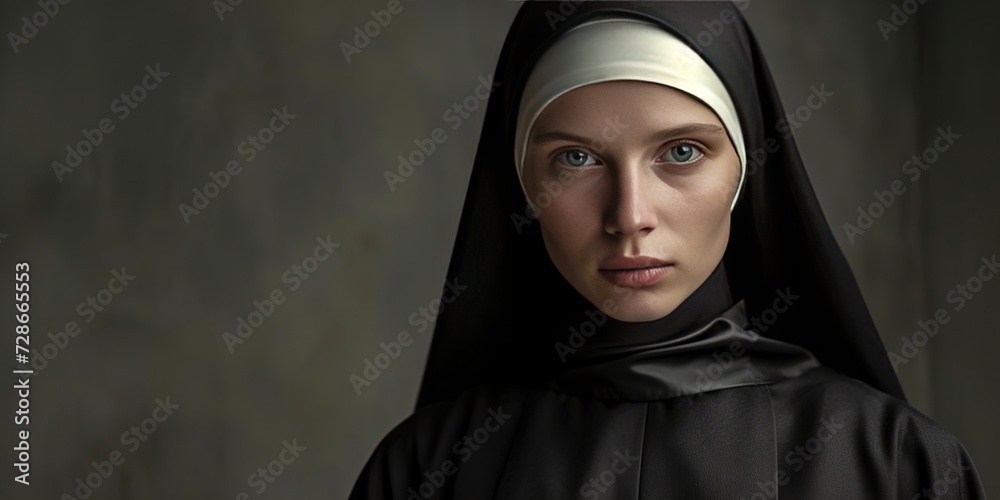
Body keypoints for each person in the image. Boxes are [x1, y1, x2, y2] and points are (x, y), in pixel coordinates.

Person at [349, 2, 987, 498]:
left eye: (682, 152)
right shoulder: (427, 471)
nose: (630, 217)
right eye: (575, 159)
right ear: (520, 183)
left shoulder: (894, 463)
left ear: (745, 171)